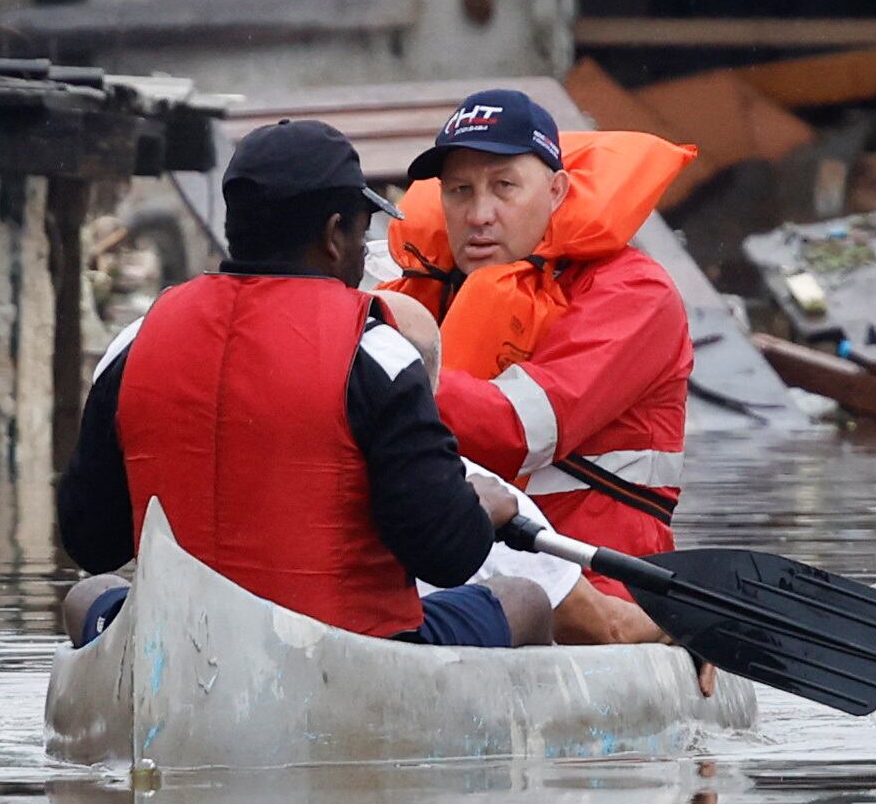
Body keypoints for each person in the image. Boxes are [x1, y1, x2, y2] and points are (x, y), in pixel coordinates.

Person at [55, 118, 548, 649]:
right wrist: (483, 511)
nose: (364, 256)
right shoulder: (376, 352)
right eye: (362, 234)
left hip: (173, 646)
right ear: (334, 234)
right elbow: (447, 556)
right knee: (525, 601)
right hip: (343, 657)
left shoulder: (135, 341)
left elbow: (90, 541)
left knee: (90, 595)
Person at [375, 90, 694, 648]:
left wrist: (378, 377)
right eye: (459, 191)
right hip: (464, 579)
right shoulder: (410, 292)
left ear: (556, 191)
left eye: (503, 187)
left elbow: (519, 434)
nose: (478, 215)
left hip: (606, 598)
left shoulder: (636, 295)